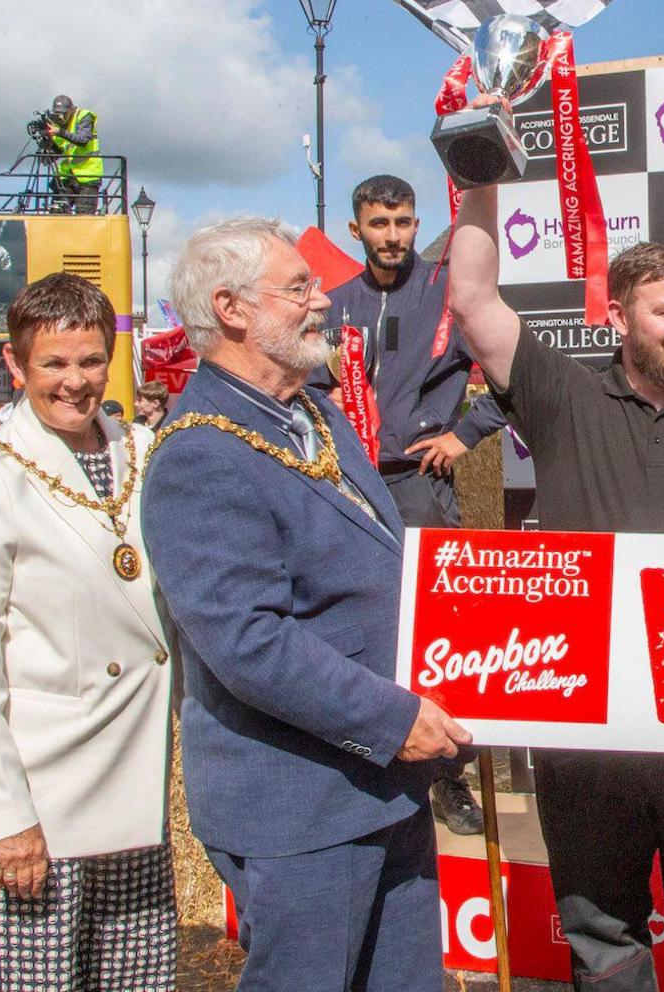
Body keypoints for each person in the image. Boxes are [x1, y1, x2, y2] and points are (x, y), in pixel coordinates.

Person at [451, 184, 664, 992]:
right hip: (587, 730)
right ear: (617, 319)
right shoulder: (561, 395)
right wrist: (479, 169)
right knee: (604, 946)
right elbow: (470, 297)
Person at [143, 217, 467, 992]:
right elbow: (250, 642)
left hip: (384, 786)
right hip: (301, 808)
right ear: (231, 310)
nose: (324, 300)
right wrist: (393, 721)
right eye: (299, 289)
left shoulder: (316, 415)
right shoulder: (197, 454)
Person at [0, 272, 175, 991]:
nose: (75, 382)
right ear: (15, 365)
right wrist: (4, 820)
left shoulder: (148, 452)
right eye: (53, 364)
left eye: (91, 360)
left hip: (127, 792)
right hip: (30, 805)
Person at [313, 174, 508, 836]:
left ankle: (450, 778)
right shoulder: (332, 305)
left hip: (419, 486)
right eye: (378, 224)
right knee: (360, 624)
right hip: (348, 489)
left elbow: (514, 379)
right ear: (355, 230)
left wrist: (464, 434)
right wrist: (323, 411)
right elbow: (301, 389)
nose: (392, 236)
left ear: (416, 223)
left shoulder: (450, 295)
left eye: (402, 223)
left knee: (439, 629)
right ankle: (374, 763)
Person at [43, 95, 102, 214]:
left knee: (84, 217)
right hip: (66, 176)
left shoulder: (84, 116)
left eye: (64, 113)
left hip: (88, 175)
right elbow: (48, 159)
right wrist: (45, 142)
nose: (61, 117)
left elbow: (82, 140)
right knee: (57, 214)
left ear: (71, 110)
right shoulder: (56, 126)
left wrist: (60, 132)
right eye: (58, 113)